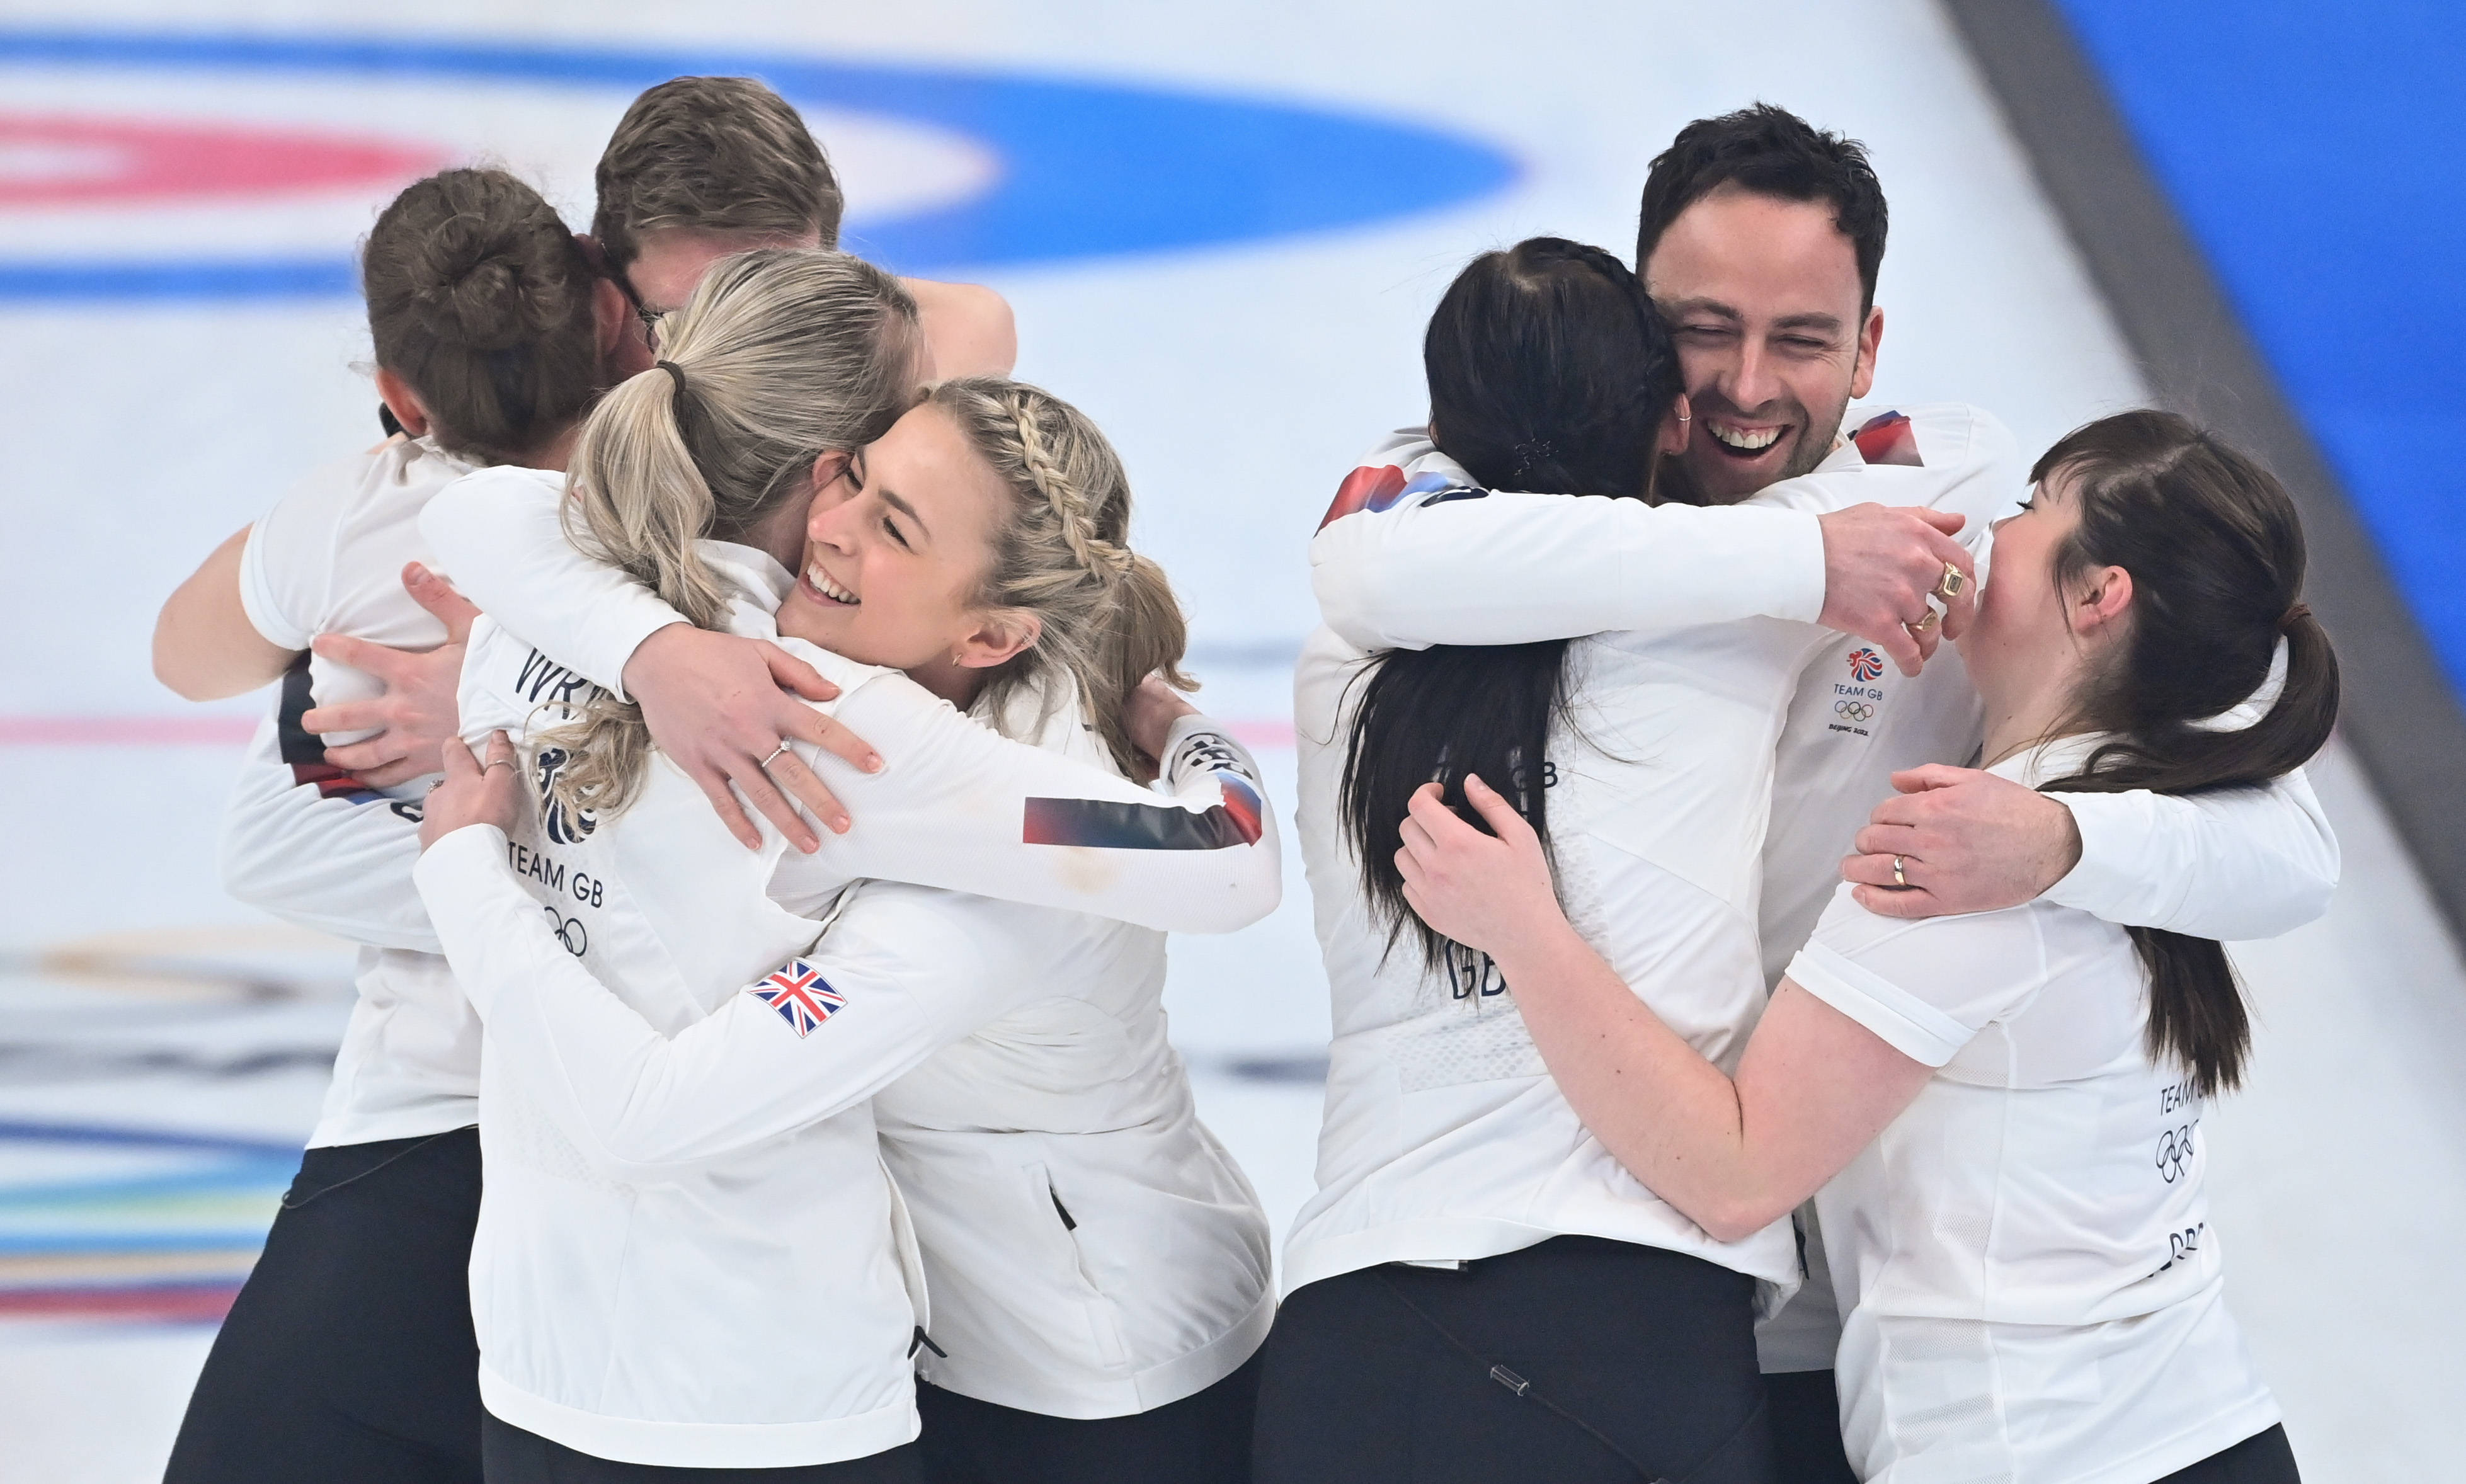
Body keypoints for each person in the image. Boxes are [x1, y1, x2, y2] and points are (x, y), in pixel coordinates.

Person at [1301, 105, 2338, 1480]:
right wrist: (1793, 568)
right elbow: (1363, 575)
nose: (1743, 385)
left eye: (1798, 340)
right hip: (1670, 1281)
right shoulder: (1491, 492)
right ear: (1628, 317)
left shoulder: (1963, 514)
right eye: (1700, 326)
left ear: (1866, 347)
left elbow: (2285, 841)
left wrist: (2059, 835)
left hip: (1866, 1330)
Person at [416, 251, 1277, 1478]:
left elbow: (1229, 858)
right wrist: (653, 648)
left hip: (1101, 1362)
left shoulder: (910, 747)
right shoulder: (692, 625)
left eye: (892, 525)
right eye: (854, 481)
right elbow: (473, 515)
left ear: (990, 628)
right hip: (932, 1346)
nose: (835, 528)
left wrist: (1176, 725)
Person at [1393, 409, 2319, 1484]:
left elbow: (1734, 1172)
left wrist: (1524, 929)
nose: (1989, 530)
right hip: (2199, 1425)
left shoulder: (1959, 857)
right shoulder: (2171, 793)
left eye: (2026, 510)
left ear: (2098, 595)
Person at [159, 167, 631, 1484]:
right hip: (667, 1106)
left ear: (404, 387)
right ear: (607, 318)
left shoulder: (362, 513)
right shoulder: (681, 496)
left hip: (436, 1100)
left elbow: (185, 658)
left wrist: (364, 494)